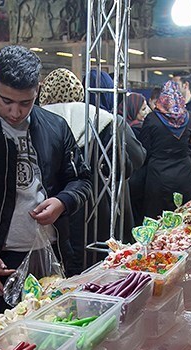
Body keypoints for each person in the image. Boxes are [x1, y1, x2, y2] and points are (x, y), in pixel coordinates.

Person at [0, 45, 92, 313]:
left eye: (25, 103)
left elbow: (82, 181)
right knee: (7, 335)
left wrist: (62, 202)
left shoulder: (56, 128)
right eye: (6, 101)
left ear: (38, 91)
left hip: (54, 251)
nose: (15, 112)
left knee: (57, 328)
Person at [39, 68, 145, 273]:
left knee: (57, 275)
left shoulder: (36, 122)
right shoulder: (106, 120)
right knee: (104, 270)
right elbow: (129, 165)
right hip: (102, 208)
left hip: (52, 210)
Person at [136, 80, 191, 219]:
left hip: (158, 174)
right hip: (185, 174)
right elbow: (189, 144)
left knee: (158, 220)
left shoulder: (151, 119)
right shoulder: (189, 118)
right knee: (186, 219)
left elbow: (145, 148)